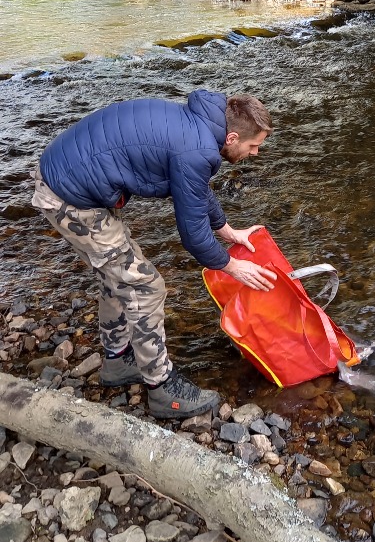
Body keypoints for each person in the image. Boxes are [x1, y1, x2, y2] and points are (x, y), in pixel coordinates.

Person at [32, 89, 277, 419]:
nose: (256, 153)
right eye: (253, 145)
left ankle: (117, 360)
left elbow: (195, 189)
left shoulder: (200, 127)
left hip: (71, 176)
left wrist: (228, 231)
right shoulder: (197, 149)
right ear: (232, 138)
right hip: (68, 196)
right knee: (146, 286)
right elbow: (193, 236)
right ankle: (161, 388)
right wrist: (232, 266)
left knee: (118, 275)